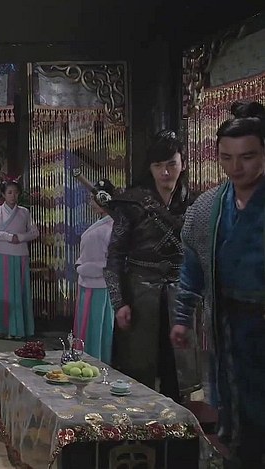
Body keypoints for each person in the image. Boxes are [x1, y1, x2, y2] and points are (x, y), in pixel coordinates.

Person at [171, 101, 265, 467]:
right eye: (227, 158)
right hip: (228, 322)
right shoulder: (209, 206)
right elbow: (192, 266)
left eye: (247, 157)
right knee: (235, 407)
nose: (236, 167)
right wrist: (182, 317)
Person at [103, 130, 199, 400]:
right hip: (139, 293)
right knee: (137, 374)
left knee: (177, 374)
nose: (165, 172)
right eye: (158, 165)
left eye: (171, 164)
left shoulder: (194, 204)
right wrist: (119, 302)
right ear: (150, 168)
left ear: (183, 164)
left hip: (181, 294)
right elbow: (114, 256)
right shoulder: (132, 203)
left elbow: (201, 256)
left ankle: (178, 423)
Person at [0, 179, 39, 339]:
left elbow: (34, 232)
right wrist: (7, 236)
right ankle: (3, 327)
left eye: (15, 192)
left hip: (20, 255)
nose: (13, 196)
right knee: (3, 292)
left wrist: (20, 237)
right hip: (1, 255)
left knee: (19, 291)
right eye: (9, 192)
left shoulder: (24, 212)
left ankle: (19, 328)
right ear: (3, 194)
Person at [73, 178, 116, 364]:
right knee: (90, 326)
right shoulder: (103, 224)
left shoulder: (111, 226)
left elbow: (109, 262)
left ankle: (95, 363)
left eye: (94, 198)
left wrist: (82, 268)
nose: (91, 202)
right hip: (89, 281)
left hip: (97, 284)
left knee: (95, 328)